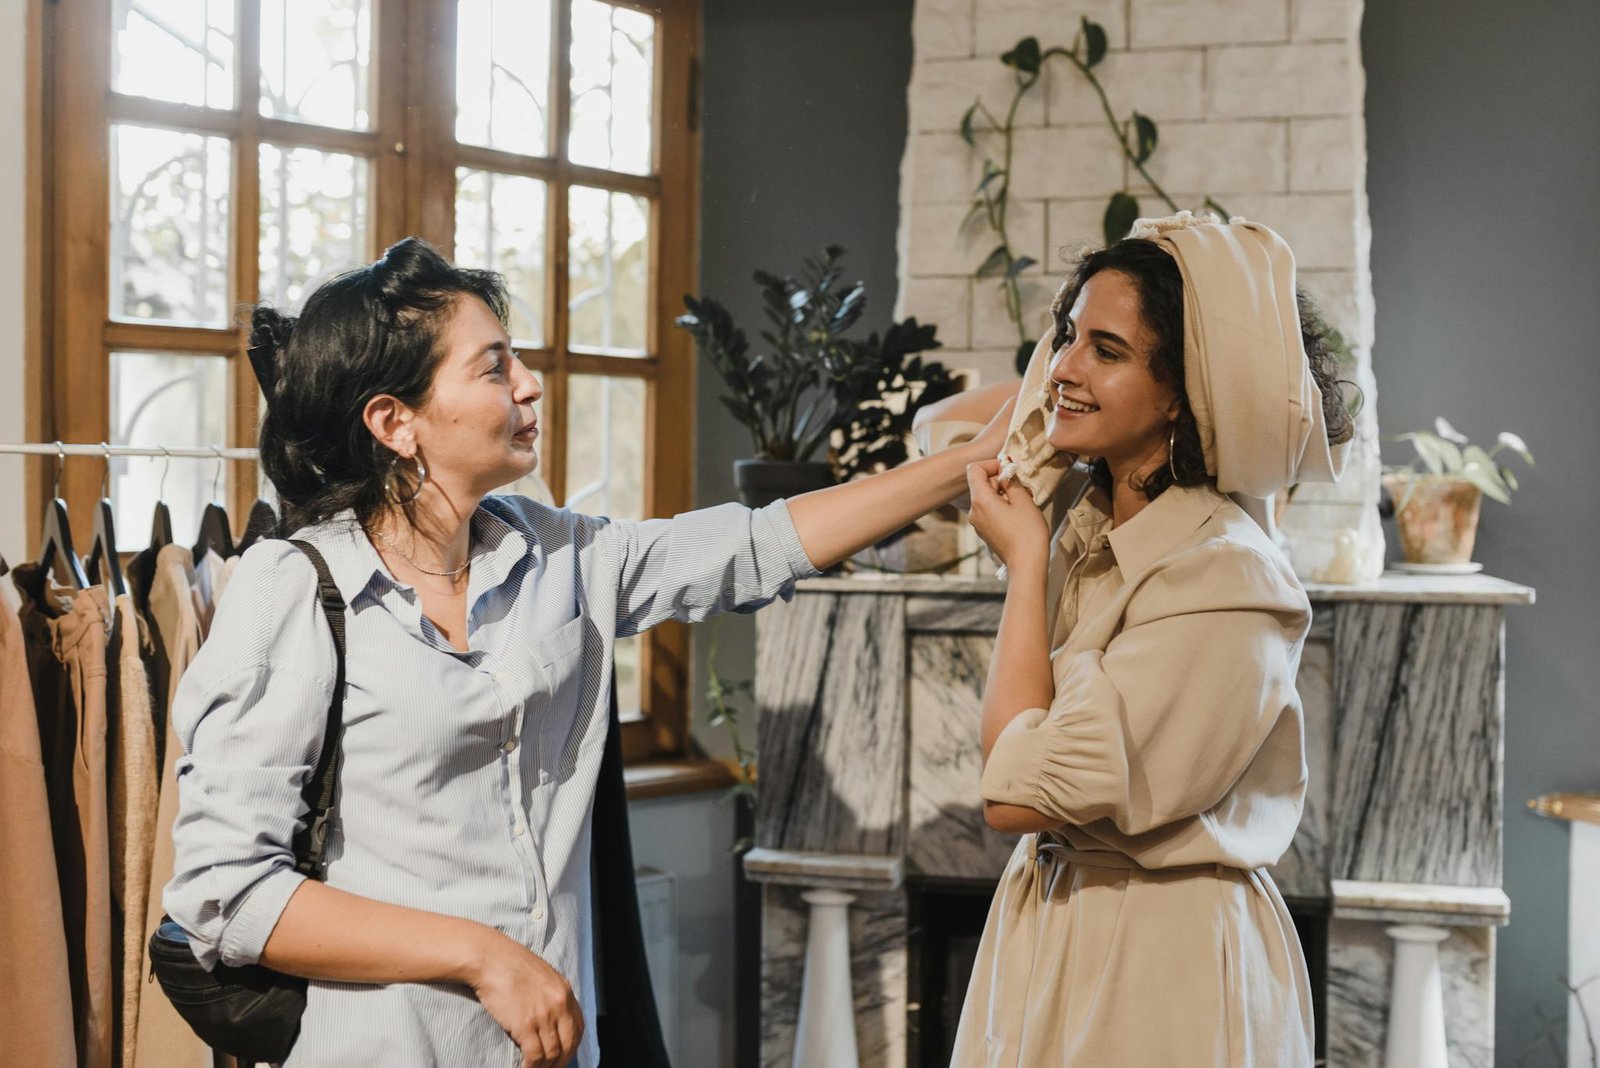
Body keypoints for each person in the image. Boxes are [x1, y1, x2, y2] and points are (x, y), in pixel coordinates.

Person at [162, 237, 1011, 1068]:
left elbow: (756, 545)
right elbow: (225, 892)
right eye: (494, 367)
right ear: (395, 421)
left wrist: (964, 465)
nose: (530, 385)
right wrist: (483, 955)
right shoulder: (294, 587)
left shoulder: (558, 554)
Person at [941, 212, 1354, 1067]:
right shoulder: (1091, 540)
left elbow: (1016, 796)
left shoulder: (1227, 576)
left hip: (1163, 969)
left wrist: (1023, 567)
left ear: (1182, 389)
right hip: (1056, 934)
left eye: (1107, 349)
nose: (1062, 369)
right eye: (1065, 337)